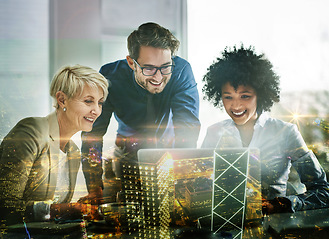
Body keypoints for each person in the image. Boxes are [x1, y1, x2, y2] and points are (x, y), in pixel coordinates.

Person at [201, 45, 329, 214]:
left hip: (273, 228)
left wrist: (282, 204)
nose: (236, 105)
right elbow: (199, 183)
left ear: (260, 95)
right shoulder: (214, 132)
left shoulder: (285, 132)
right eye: (228, 97)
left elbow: (323, 192)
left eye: (245, 96)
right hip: (226, 226)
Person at [81, 22, 201, 200]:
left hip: (167, 153)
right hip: (125, 155)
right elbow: (93, 133)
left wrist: (182, 181)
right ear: (131, 62)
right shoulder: (109, 77)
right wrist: (94, 188)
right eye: (149, 68)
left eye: (165, 67)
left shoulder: (181, 71)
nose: (158, 77)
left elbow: (187, 128)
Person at [0, 65, 108, 229]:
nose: (96, 111)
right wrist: (64, 210)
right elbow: (5, 207)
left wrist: (81, 206)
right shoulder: (30, 132)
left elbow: (51, 212)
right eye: (88, 101)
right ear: (62, 99)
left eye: (100, 103)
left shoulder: (73, 151)